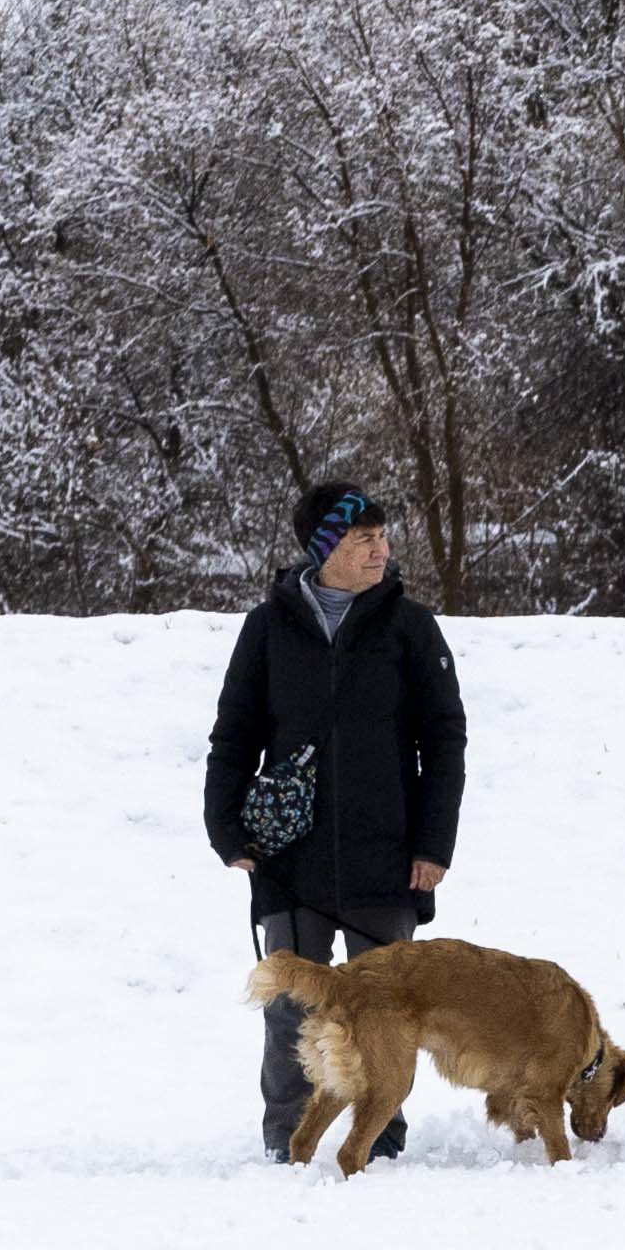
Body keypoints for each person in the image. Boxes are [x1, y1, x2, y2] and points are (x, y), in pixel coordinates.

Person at [204, 484, 468, 1164]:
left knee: (384, 1010)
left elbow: (444, 738)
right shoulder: (267, 629)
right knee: (291, 1007)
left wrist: (433, 844)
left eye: (382, 536)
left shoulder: (410, 626)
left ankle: (378, 1137)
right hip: (293, 856)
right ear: (325, 550)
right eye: (363, 540)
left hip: (388, 856)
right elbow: (234, 735)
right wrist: (226, 829)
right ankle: (285, 1140)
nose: (381, 549)